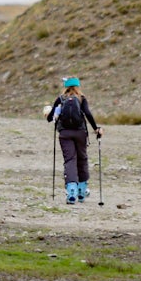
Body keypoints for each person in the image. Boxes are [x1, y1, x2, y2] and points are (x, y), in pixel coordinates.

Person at [46, 76, 103, 204]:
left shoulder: (61, 99)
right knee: (82, 159)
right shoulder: (81, 98)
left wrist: (50, 113)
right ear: (78, 86)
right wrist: (96, 129)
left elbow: (50, 118)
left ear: (66, 87)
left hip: (64, 134)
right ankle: (82, 191)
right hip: (80, 133)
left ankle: (71, 191)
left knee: (70, 160)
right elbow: (88, 114)